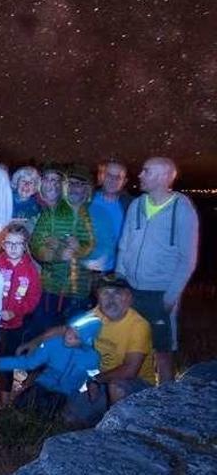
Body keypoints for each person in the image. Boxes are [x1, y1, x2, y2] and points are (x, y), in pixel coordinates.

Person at [21, 278, 155, 426]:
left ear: (128, 297)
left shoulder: (138, 325)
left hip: (137, 388)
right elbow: (65, 330)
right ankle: (101, 420)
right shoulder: (96, 314)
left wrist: (95, 380)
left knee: (117, 386)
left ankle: (116, 433)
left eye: (117, 293)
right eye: (105, 293)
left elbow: (130, 370)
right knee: (67, 418)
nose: (111, 299)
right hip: (102, 381)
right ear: (98, 296)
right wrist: (35, 342)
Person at [116, 157, 199, 384]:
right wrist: (120, 279)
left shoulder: (182, 209)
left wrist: (171, 296)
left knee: (162, 352)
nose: (140, 175)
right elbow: (124, 244)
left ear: (163, 176)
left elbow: (187, 258)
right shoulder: (137, 205)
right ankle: (136, 396)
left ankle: (165, 402)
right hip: (131, 289)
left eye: (146, 171)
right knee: (131, 347)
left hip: (160, 293)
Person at [0, 314, 101, 419]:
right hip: (42, 385)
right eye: (69, 330)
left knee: (46, 416)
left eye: (76, 337)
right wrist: (0, 362)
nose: (68, 337)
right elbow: (29, 362)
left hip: (65, 393)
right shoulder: (54, 344)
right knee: (20, 410)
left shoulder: (91, 358)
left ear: (85, 341)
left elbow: (94, 375)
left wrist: (93, 386)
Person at [29, 165, 95, 334]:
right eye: (70, 183)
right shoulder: (51, 212)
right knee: (43, 332)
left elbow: (90, 244)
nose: (74, 188)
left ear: (87, 188)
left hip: (77, 288)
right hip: (50, 286)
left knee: (71, 335)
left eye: (79, 184)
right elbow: (36, 244)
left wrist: (78, 249)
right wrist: (58, 253)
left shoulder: (88, 213)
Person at [0, 222, 42, 406]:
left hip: (14, 326)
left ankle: (4, 402)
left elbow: (33, 297)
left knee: (6, 362)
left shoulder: (31, 270)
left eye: (17, 243)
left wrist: (16, 312)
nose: (12, 248)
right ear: (3, 244)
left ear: (25, 245)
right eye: (9, 243)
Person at [84, 160, 131, 274]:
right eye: (109, 175)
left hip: (112, 273)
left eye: (118, 177)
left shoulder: (130, 207)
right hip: (81, 270)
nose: (113, 180)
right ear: (101, 176)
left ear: (124, 181)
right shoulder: (85, 200)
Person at [11, 166, 42, 233]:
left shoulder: (37, 208)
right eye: (23, 181)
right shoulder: (5, 200)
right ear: (16, 183)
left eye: (31, 182)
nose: (26, 184)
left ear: (35, 187)